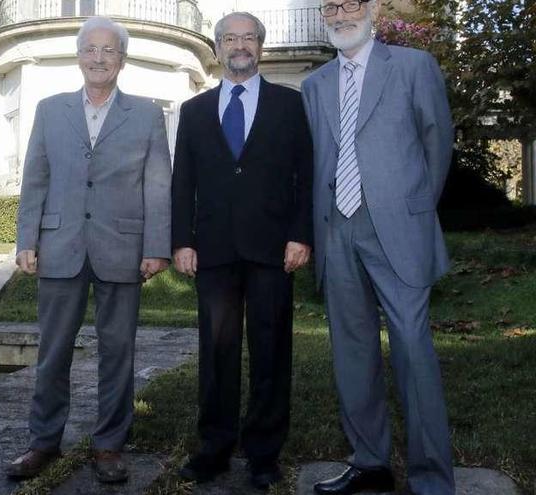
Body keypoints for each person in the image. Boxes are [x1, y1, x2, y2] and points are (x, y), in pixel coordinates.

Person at [5, 16, 172, 484]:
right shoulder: (49, 108)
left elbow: (158, 185)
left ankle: (109, 446)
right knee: (53, 351)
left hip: (123, 247)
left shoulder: (147, 114)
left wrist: (157, 246)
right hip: (60, 245)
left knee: (118, 351)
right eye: (90, 49)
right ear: (79, 56)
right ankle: (43, 443)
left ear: (123, 59)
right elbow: (35, 177)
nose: (99, 58)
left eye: (109, 50)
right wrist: (27, 239)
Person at [300, 1, 455, 493]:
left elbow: (437, 140)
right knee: (352, 350)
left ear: (370, 9)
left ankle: (431, 477)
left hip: (398, 229)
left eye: (351, 3)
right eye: (331, 6)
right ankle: (370, 463)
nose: (341, 13)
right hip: (336, 231)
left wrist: (412, 208)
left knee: (412, 347)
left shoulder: (413, 66)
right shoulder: (314, 84)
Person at [171, 11, 313, 491]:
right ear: (217, 48)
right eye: (230, 38)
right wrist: (181, 240)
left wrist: (301, 234)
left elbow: (305, 176)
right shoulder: (193, 112)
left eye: (248, 37)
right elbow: (181, 183)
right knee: (216, 352)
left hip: (274, 249)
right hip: (211, 249)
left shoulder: (291, 106)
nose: (239, 45)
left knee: (272, 351)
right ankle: (213, 448)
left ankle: (264, 455)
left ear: (261, 45)